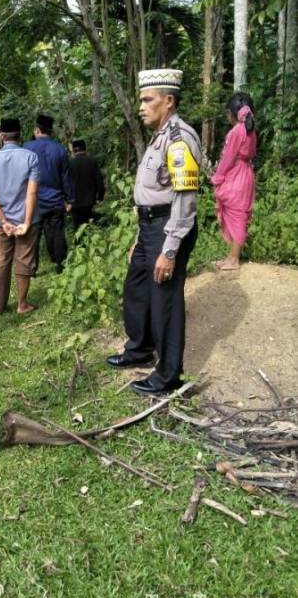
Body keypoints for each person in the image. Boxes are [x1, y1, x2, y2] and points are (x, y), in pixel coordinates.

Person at [107, 69, 201, 396]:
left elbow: (184, 199)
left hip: (168, 226)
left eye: (148, 100)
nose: (141, 106)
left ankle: (167, 376)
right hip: (149, 226)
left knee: (165, 300)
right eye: (141, 100)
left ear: (169, 101)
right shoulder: (159, 135)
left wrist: (170, 248)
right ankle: (140, 350)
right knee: (136, 288)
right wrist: (139, 237)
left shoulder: (179, 137)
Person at [0, 117, 41, 315]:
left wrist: (4, 221)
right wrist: (25, 222)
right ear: (20, 135)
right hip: (28, 219)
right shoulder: (30, 157)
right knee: (24, 259)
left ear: (1, 136)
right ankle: (22, 304)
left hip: (1, 222)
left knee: (1, 260)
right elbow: (32, 192)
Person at [211, 92, 257, 271]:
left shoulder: (237, 131)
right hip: (245, 173)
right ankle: (231, 257)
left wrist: (218, 177)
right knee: (239, 214)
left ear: (231, 113)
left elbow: (228, 158)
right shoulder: (250, 129)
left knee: (237, 216)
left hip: (235, 174)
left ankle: (234, 260)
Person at [23, 113, 75, 274]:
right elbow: (66, 178)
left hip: (34, 201)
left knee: (33, 236)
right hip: (55, 200)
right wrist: (70, 199)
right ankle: (60, 265)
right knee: (58, 233)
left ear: (37, 130)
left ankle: (31, 269)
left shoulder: (27, 148)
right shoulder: (60, 150)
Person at [69, 139, 105, 231]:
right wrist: (100, 197)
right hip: (89, 200)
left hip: (74, 202)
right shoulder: (92, 161)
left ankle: (78, 244)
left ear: (73, 150)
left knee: (77, 227)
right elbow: (99, 180)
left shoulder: (70, 163)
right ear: (85, 149)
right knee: (89, 224)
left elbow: (66, 183)